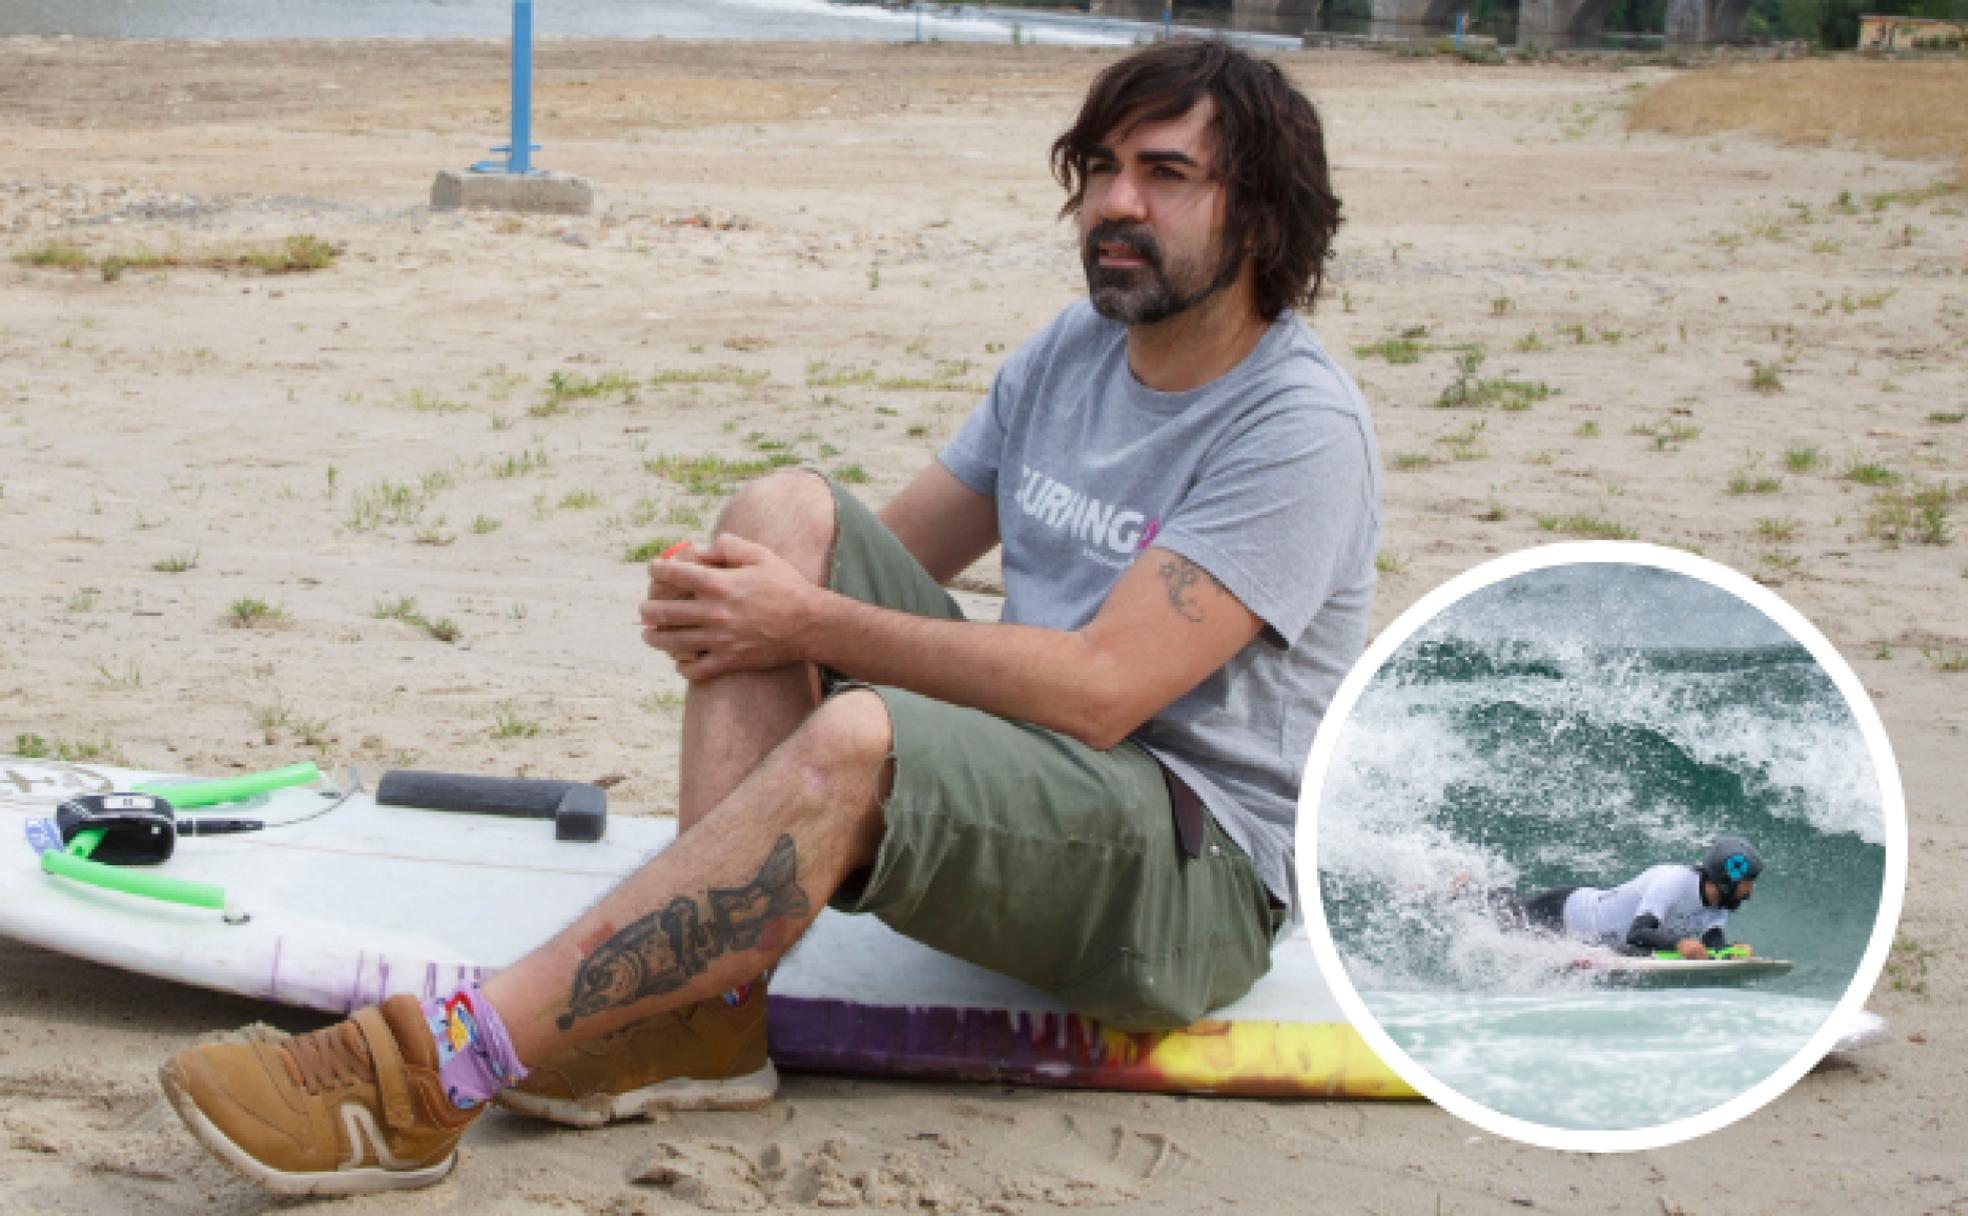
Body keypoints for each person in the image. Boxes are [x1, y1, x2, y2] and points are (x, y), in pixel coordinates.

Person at [157, 39, 1379, 1196]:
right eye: (1101, 169)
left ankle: (433, 1069)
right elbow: (880, 557)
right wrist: (743, 602)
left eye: (1165, 174)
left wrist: (802, 627)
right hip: (1049, 779)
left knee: (854, 727)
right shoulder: (1075, 351)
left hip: (1192, 873)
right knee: (779, 518)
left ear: (1261, 217)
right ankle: (706, 1015)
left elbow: (1103, 690)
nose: (1116, 203)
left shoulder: (1296, 428)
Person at [1467, 835, 1763, 959]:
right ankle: (1468, 889)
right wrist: (1679, 944)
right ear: (1726, 879)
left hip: (1588, 936)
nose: (1749, 891)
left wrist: (1731, 951)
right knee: (1504, 916)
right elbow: (1638, 933)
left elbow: (1712, 943)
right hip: (1567, 911)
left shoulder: (1719, 906)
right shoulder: (1672, 882)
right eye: (1747, 883)